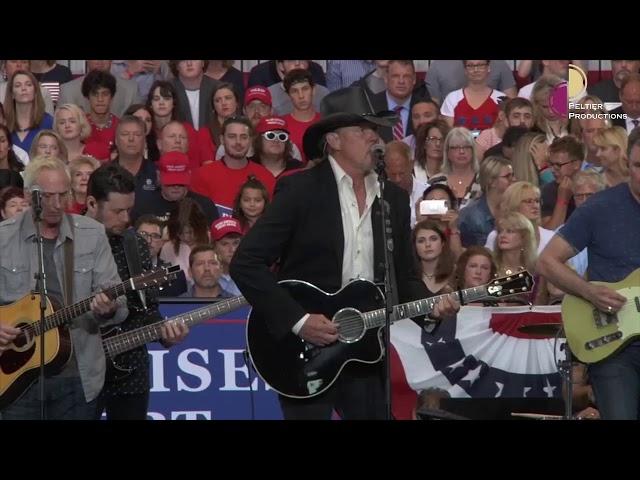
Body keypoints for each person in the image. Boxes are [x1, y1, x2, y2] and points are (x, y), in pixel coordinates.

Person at [230, 112, 459, 420]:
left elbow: (403, 276)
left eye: (374, 131)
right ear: (334, 140)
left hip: (365, 348)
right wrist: (298, 320)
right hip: (304, 351)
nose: (373, 138)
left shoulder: (392, 197)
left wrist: (431, 308)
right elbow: (246, 263)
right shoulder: (301, 190)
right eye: (362, 130)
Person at [0, 157, 128, 420]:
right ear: (28, 195)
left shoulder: (91, 234)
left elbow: (120, 303)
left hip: (76, 375)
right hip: (14, 377)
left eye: (63, 195)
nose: (57, 205)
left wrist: (108, 308)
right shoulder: (3, 237)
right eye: (47, 196)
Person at [537, 128, 640, 420]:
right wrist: (588, 291)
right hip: (614, 344)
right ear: (627, 163)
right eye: (637, 166)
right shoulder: (601, 207)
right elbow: (547, 261)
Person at [85, 163, 188, 419]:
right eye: (117, 211)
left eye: (129, 210)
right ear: (91, 204)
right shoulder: (69, 242)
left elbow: (148, 309)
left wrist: (166, 335)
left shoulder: (135, 244)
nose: (126, 219)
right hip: (80, 368)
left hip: (131, 371)